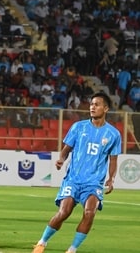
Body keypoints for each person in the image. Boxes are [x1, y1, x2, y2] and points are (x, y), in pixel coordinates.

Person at [31, 92, 121, 253]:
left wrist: (111, 179)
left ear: (106, 108)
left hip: (94, 182)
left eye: (97, 104)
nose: (92, 107)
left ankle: (72, 249)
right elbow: (66, 149)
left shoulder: (113, 134)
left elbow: (113, 160)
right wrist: (61, 159)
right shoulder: (79, 127)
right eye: (92, 104)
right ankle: (42, 242)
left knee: (89, 212)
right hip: (73, 179)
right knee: (64, 212)